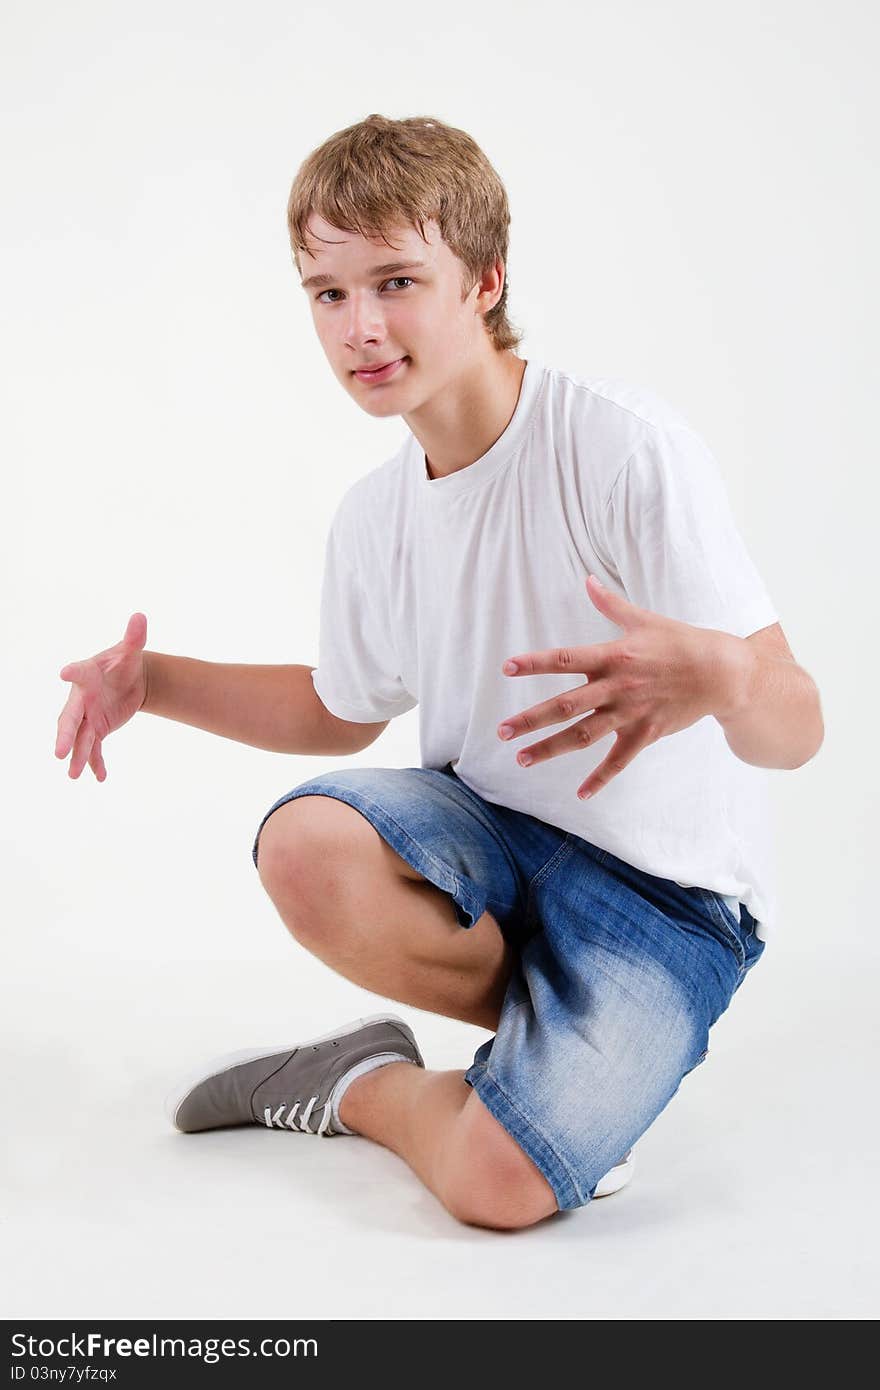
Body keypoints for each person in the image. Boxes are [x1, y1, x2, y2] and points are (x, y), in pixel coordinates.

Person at [55, 113, 824, 1232]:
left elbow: (797, 727)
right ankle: (545, 1082)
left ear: (485, 280)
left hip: (672, 902)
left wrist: (724, 681)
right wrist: (152, 682)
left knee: (495, 1187)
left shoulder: (618, 446)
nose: (360, 327)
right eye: (328, 292)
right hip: (492, 846)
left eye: (396, 281)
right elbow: (335, 708)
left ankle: (365, 1086)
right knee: (306, 843)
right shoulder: (377, 516)